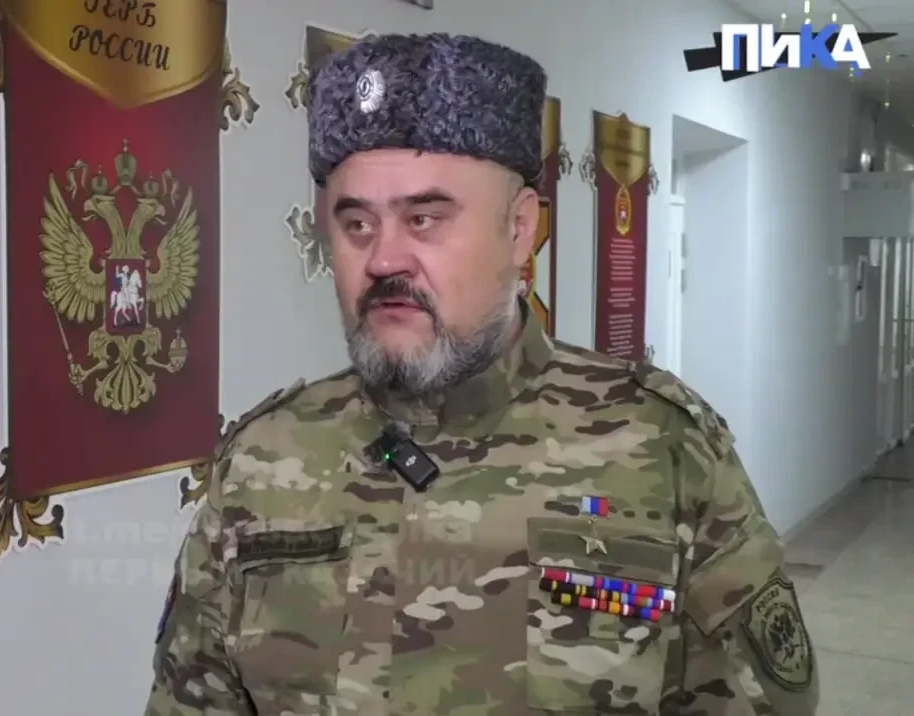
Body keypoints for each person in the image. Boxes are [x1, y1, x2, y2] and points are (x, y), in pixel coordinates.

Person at [144, 32, 817, 715]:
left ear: (520, 229)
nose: (384, 259)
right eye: (357, 224)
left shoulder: (666, 452)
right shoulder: (262, 461)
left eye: (424, 218)